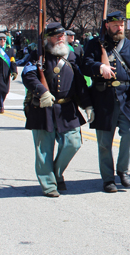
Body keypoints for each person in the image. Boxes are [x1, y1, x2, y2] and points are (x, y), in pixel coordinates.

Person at [22, 23, 94, 197]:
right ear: (47, 39)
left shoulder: (71, 55)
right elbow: (28, 75)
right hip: (43, 108)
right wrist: (42, 91)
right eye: (56, 36)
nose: (60, 38)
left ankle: (56, 172)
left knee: (73, 142)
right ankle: (48, 185)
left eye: (62, 35)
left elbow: (79, 82)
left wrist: (87, 104)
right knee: (44, 150)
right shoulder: (38, 55)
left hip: (67, 107)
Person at [81, 11, 130, 193]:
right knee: (104, 144)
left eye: (121, 25)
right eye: (116, 25)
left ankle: (123, 170)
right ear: (107, 26)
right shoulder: (95, 44)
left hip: (126, 98)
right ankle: (108, 179)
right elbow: (84, 65)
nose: (119, 28)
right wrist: (99, 66)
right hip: (103, 98)